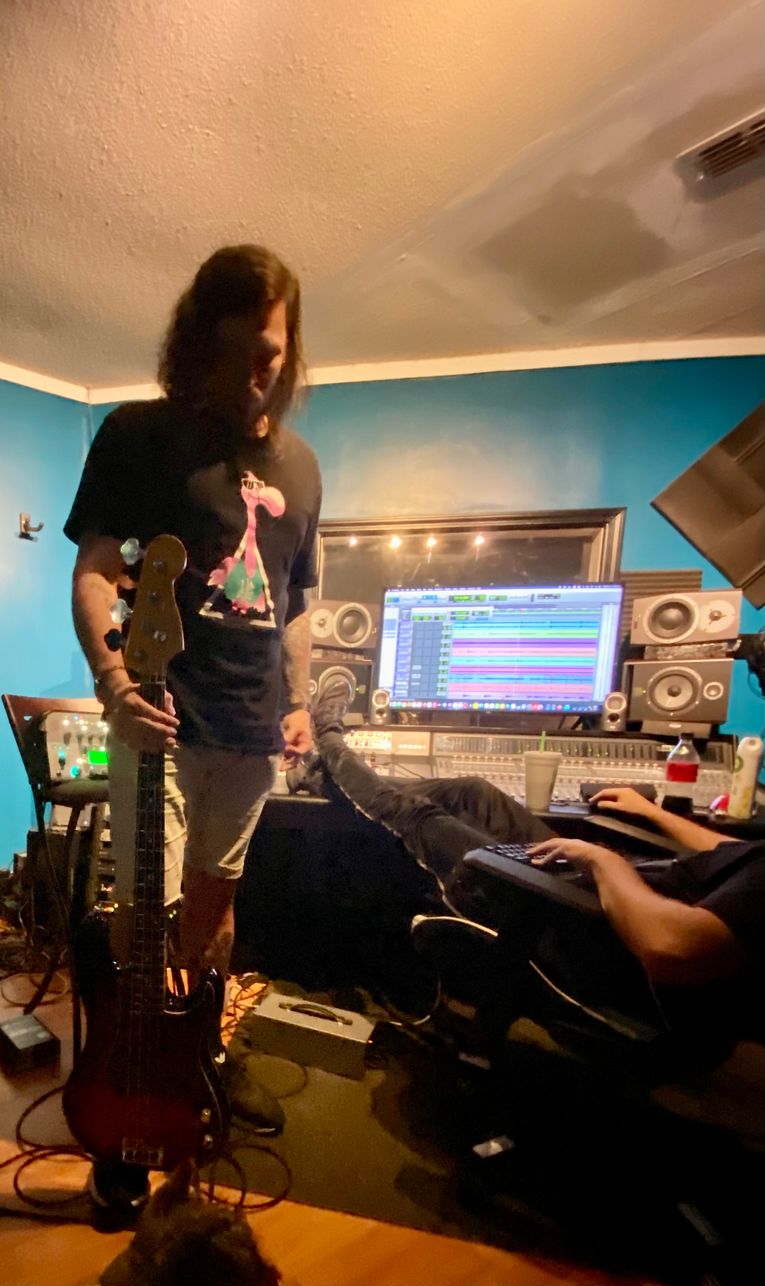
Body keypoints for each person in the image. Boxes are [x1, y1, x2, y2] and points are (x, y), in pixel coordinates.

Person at [66, 245, 321, 1207]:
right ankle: (126, 1078)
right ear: (195, 343)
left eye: (269, 353)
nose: (253, 373)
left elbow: (294, 603)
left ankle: (197, 1059)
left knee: (213, 910)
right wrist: (111, 681)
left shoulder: (301, 466)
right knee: (144, 919)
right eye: (232, 350)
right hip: (159, 717)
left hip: (252, 732)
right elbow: (97, 571)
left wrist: (299, 700)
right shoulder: (138, 434)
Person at [299, 693, 765, 1071]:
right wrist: (651, 812)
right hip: (603, 895)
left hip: (587, 930)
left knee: (413, 816)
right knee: (473, 792)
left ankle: (329, 739)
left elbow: (670, 949)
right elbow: (732, 852)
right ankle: (326, 776)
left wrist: (604, 862)